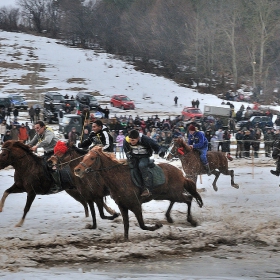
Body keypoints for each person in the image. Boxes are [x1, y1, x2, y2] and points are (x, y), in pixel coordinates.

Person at [123, 129, 165, 197]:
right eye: (130, 140)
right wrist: (128, 155)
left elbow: (156, 146)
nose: (131, 142)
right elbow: (126, 149)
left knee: (142, 166)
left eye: (133, 140)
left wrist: (160, 151)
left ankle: (147, 188)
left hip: (144, 157)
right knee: (130, 166)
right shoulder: (126, 140)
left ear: (138, 138)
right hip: (134, 156)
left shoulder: (145, 139)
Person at [27, 121, 60, 193]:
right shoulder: (38, 134)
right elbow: (32, 142)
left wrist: (36, 146)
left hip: (55, 152)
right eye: (35, 128)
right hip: (47, 152)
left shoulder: (48, 132)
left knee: (50, 166)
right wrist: (24, 147)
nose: (36, 130)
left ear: (43, 127)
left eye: (38, 128)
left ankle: (57, 185)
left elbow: (47, 141)